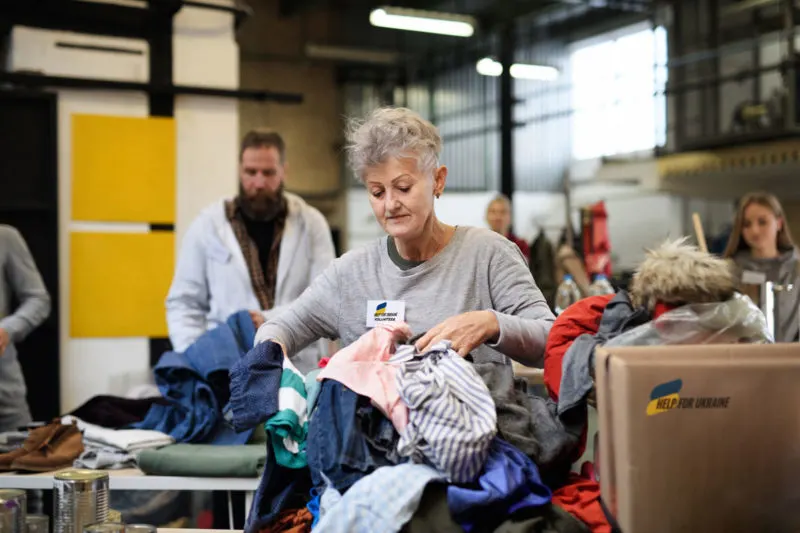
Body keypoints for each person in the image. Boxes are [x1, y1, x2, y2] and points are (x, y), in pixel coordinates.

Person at [253, 107, 555, 393]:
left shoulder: (488, 255)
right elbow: (282, 328)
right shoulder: (351, 274)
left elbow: (551, 340)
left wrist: (491, 323)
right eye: (377, 192)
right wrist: (270, 360)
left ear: (438, 180)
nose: (390, 204)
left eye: (404, 187)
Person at [166, 129, 336, 371]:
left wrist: (266, 319)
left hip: (297, 363)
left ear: (284, 171)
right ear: (239, 170)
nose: (259, 183)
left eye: (268, 173)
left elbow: (326, 298)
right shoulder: (208, 225)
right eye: (250, 172)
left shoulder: (311, 223)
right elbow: (183, 303)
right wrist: (195, 358)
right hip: (227, 368)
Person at [723, 192, 800, 342]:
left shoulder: (797, 269)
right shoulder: (729, 272)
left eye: (762, 222)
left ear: (779, 223)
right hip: (744, 360)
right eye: (747, 224)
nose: (754, 231)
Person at [0, 225, 51, 431]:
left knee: (21, 458)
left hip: (4, 395)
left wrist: (7, 329)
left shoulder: (5, 237)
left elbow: (38, 299)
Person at [486, 194, 530, 261]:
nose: (498, 216)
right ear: (486, 216)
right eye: (493, 212)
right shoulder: (480, 245)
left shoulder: (521, 246)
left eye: (503, 212)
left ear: (510, 217)